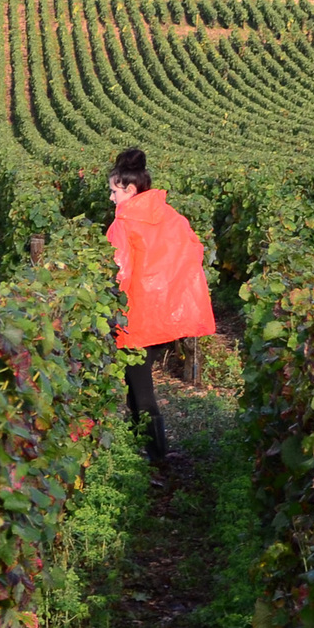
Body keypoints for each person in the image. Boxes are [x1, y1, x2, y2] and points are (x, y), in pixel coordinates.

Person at [106, 148, 215, 463]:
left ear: (130, 190)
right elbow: (193, 252)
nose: (111, 199)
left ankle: (155, 455)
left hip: (136, 319)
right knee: (137, 383)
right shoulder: (170, 215)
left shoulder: (123, 223)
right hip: (164, 318)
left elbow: (118, 272)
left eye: (114, 192)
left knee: (140, 391)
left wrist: (110, 311)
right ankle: (143, 447)